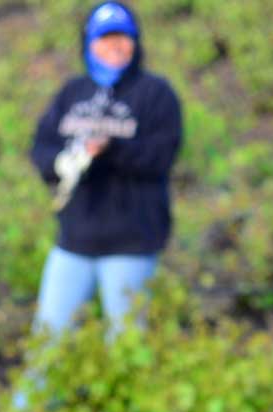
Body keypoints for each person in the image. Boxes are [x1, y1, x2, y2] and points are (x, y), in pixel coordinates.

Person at [26, 2, 182, 341]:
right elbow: (41, 149)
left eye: (122, 37)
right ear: (89, 43)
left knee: (126, 342)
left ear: (136, 42)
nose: (114, 45)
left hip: (132, 244)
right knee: (47, 341)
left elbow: (161, 156)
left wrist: (111, 150)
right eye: (105, 37)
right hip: (73, 242)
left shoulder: (156, 94)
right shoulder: (72, 93)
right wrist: (67, 161)